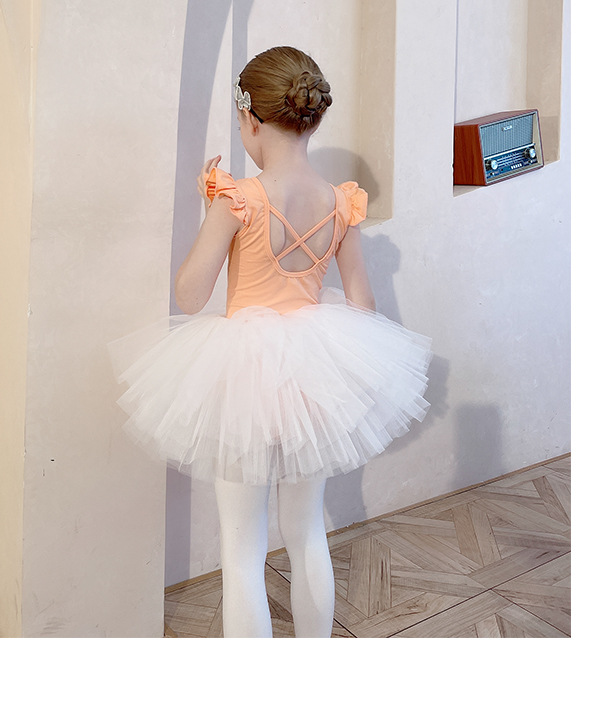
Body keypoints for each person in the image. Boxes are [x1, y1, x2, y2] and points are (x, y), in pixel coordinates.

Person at [110, 46, 431, 638]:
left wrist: (214, 210)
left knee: (241, 550)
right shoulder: (342, 203)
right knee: (307, 533)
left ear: (250, 119)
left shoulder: (239, 198)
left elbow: (190, 295)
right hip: (312, 379)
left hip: (244, 381)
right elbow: (362, 306)